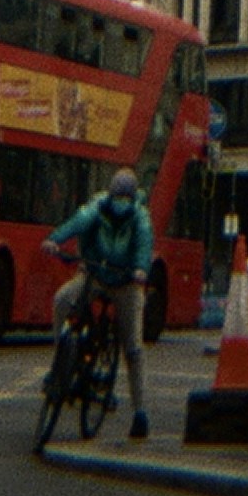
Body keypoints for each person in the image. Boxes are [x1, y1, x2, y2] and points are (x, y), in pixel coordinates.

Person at [45, 168, 155, 439]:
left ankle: (140, 412)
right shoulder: (98, 206)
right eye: (116, 195)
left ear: (132, 197)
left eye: (123, 197)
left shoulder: (140, 216)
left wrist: (141, 268)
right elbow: (78, 222)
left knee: (133, 348)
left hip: (126, 281)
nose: (119, 201)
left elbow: (144, 242)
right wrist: (55, 239)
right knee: (62, 300)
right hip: (93, 273)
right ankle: (60, 363)